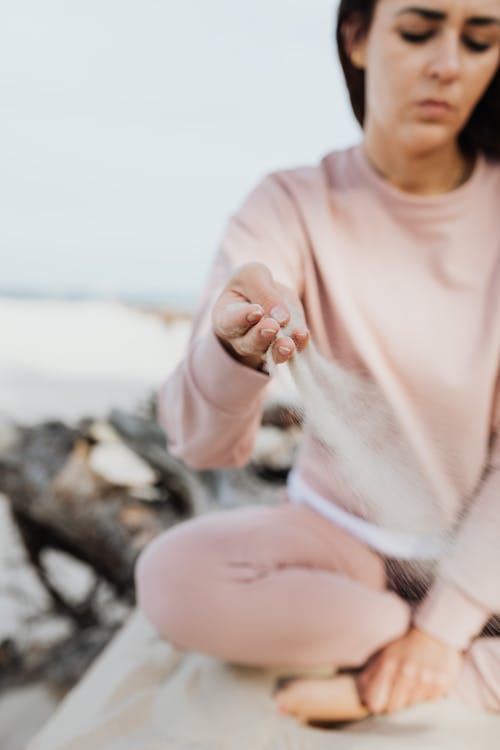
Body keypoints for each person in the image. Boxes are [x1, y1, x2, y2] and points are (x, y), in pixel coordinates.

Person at [135, 0, 500, 723]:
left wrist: (445, 624)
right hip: (343, 542)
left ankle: (426, 678)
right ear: (358, 37)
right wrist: (235, 347)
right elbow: (201, 442)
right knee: (172, 578)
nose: (448, 65)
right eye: (419, 31)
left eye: (481, 39)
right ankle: (422, 662)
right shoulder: (290, 205)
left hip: (486, 546)